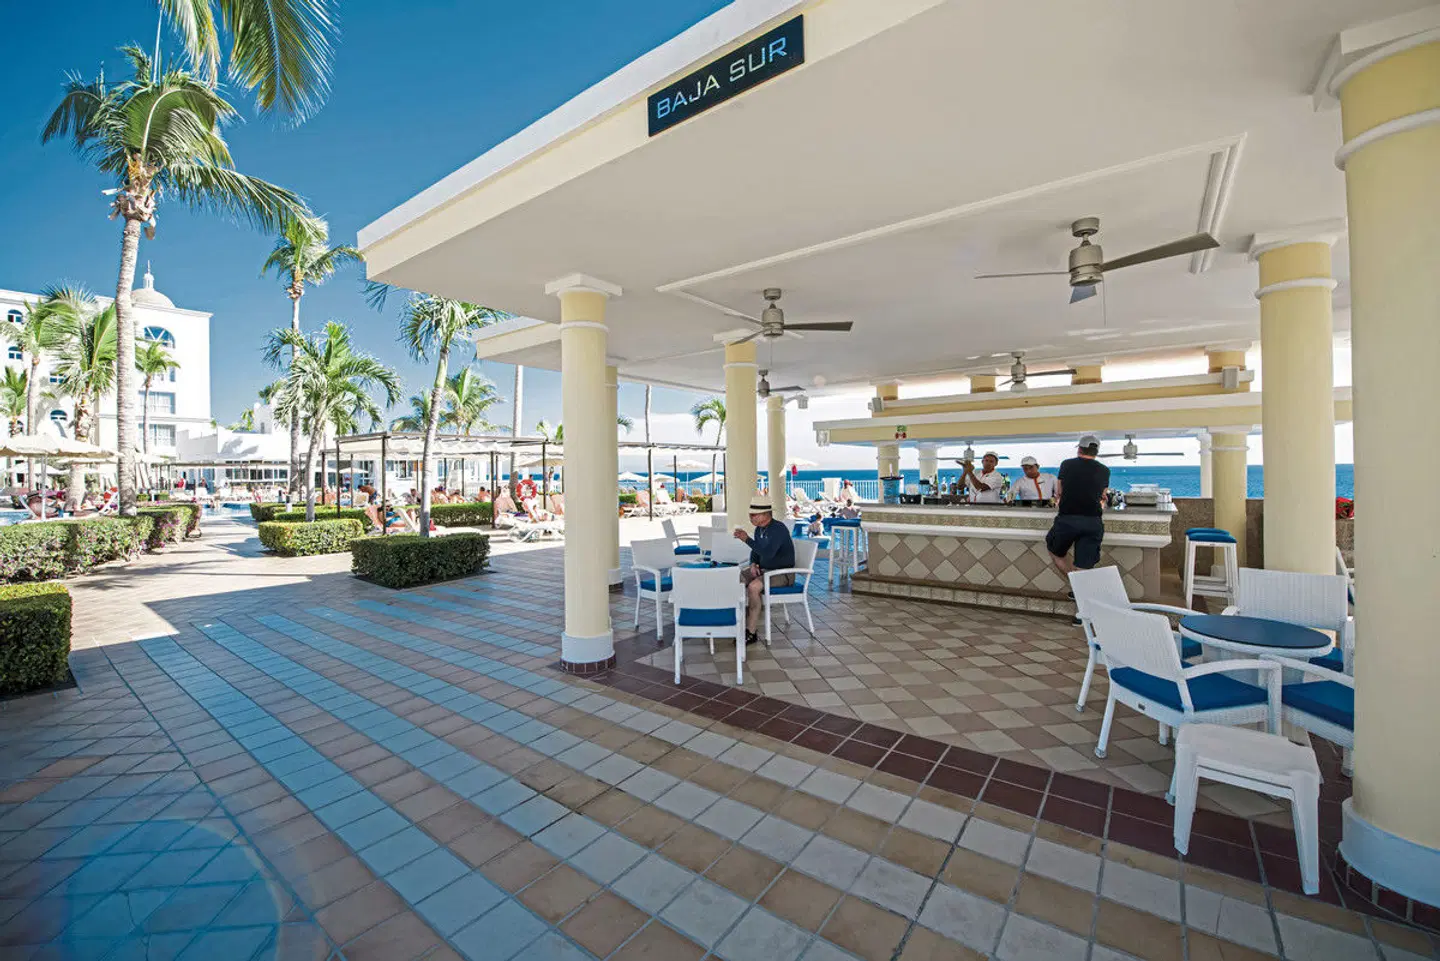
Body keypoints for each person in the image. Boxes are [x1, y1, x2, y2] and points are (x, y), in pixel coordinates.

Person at [733, 499, 796, 646]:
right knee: (737, 578)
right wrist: (753, 564)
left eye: (754, 515)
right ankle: (736, 622)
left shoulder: (778, 529)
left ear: (766, 514)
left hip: (783, 573)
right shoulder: (759, 529)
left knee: (754, 587)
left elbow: (768, 553)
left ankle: (751, 632)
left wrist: (746, 539)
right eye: (750, 515)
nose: (751, 518)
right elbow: (756, 552)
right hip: (765, 570)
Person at [1046, 434, 1111, 574]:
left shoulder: (1067, 464)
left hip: (1068, 519)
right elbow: (1103, 496)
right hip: (1093, 521)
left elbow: (1059, 492)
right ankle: (1080, 591)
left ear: (1080, 449)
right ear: (1096, 452)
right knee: (1084, 565)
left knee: (1055, 552)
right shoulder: (1105, 470)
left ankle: (1075, 585)